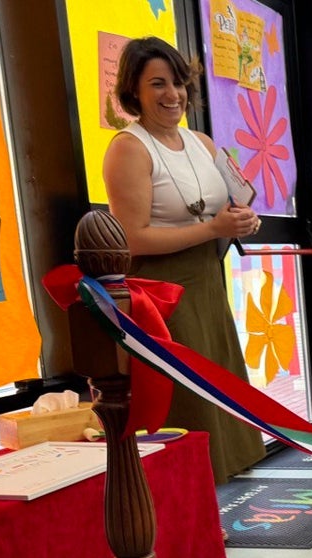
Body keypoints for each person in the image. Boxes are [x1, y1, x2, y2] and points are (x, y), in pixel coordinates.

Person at [103, 36, 264, 484]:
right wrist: (212, 230)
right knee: (184, 399)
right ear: (133, 90)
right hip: (159, 293)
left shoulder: (203, 143)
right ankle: (186, 504)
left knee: (216, 391)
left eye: (178, 82)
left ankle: (211, 504)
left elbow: (235, 198)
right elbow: (131, 240)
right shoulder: (128, 148)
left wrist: (244, 220)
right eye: (158, 83)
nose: (172, 94)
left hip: (207, 282)